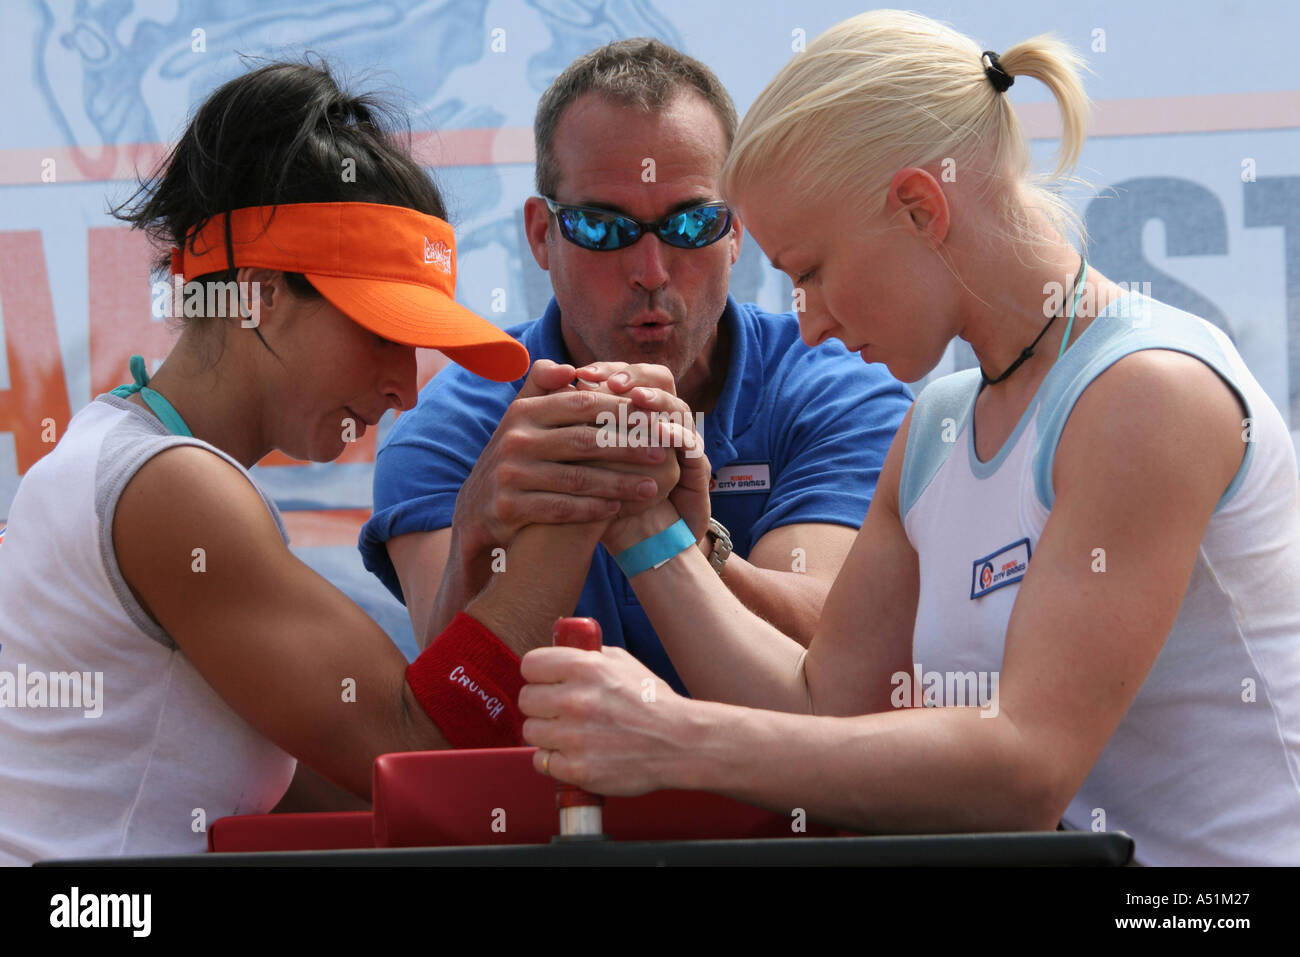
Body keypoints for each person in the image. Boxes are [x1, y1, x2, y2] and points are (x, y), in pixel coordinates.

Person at [515, 11, 1300, 866]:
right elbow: (819, 712)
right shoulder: (938, 422)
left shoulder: (1150, 394)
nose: (806, 327)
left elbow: (1026, 770)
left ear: (920, 208)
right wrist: (643, 521)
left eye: (811, 272)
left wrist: (671, 736)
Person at [0, 61, 682, 864]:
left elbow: (379, 784)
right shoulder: (172, 487)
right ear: (257, 292)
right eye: (380, 330)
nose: (402, 387)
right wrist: (590, 481)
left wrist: (479, 534)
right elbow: (419, 748)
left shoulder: (132, 459)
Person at [361, 39, 913, 693]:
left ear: (737, 230)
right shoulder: (454, 425)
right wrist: (478, 535)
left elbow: (841, 656)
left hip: (783, 799)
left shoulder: (837, 391)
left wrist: (691, 543)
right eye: (601, 228)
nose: (651, 273)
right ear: (541, 235)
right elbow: (461, 707)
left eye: (691, 224)